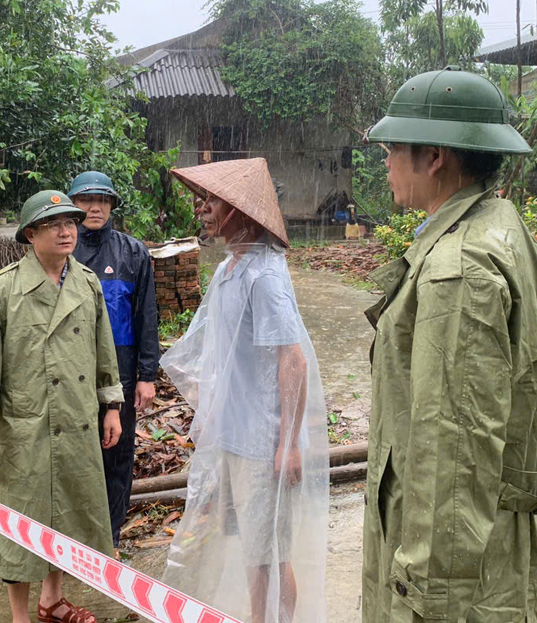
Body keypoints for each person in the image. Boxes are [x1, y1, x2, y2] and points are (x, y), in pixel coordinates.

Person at [360, 67, 537, 622]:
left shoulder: (459, 268)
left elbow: (453, 450)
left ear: (435, 157)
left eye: (393, 149)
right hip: (481, 546)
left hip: (453, 568)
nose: (385, 163)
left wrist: (428, 594)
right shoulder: (503, 230)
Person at [159, 157, 329, 623]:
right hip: (236, 436)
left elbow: (292, 359)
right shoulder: (232, 269)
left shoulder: (265, 276)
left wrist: (288, 445)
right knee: (255, 550)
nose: (203, 210)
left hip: (264, 442)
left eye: (211, 201)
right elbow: (214, 349)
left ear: (237, 210)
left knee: (272, 550)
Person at [0, 190, 125, 623]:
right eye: (54, 224)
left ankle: (52, 601)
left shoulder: (86, 282)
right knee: (22, 522)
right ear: (30, 234)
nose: (66, 230)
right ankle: (21, 616)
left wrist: (111, 405)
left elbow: (103, 351)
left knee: (71, 512)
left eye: (70, 222)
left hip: (76, 420)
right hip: (26, 426)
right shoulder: (2, 290)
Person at [68, 170, 160, 554]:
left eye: (103, 200)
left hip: (119, 375)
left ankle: (110, 537)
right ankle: (72, 536)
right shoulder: (60, 250)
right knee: (73, 456)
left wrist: (147, 375)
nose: (95, 207)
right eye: (87, 200)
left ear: (112, 206)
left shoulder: (132, 253)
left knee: (116, 457)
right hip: (69, 373)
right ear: (71, 205)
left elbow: (146, 316)